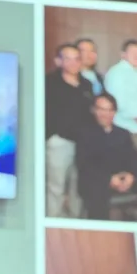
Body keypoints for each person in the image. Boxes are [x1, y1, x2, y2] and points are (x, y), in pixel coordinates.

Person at [45, 43, 94, 218]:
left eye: (77, 59)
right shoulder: (49, 82)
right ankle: (52, 223)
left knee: (78, 187)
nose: (73, 63)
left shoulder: (86, 84)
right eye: (68, 59)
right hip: (59, 142)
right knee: (56, 186)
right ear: (58, 61)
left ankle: (74, 222)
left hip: (83, 144)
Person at [76, 93, 137, 220]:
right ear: (94, 110)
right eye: (101, 109)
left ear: (114, 112)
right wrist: (109, 179)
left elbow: (134, 159)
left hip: (122, 177)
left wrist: (130, 176)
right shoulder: (85, 133)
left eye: (109, 110)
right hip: (97, 181)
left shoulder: (123, 133)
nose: (105, 114)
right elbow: (84, 164)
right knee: (97, 194)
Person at [104, 40, 137, 179]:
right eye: (132, 52)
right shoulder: (116, 73)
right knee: (125, 170)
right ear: (123, 55)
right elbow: (118, 102)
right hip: (124, 128)